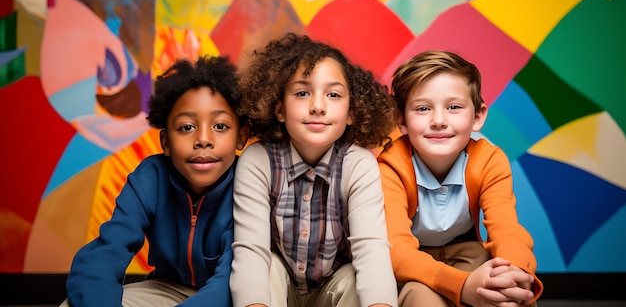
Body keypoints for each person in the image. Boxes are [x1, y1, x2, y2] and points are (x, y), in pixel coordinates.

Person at [62, 55, 249, 307]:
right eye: (186, 127)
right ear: (165, 143)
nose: (203, 139)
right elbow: (106, 253)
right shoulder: (151, 178)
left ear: (241, 137)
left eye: (220, 126)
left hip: (229, 293)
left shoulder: (249, 182)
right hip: (167, 288)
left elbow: (232, 277)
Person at [229, 32, 398, 307]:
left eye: (333, 94)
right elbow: (250, 251)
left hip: (334, 289)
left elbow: (371, 251)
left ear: (351, 112)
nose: (318, 106)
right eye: (302, 93)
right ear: (279, 109)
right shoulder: (258, 161)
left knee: (356, 278)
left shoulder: (359, 164)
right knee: (266, 264)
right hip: (278, 289)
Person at [377, 50, 544, 307]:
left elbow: (507, 230)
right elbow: (397, 250)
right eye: (423, 109)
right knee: (420, 298)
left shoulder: (490, 160)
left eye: (453, 107)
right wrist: (462, 285)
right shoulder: (390, 165)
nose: (439, 121)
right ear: (401, 120)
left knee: (508, 290)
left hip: (467, 251)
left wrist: (515, 272)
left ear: (477, 117)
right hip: (414, 262)